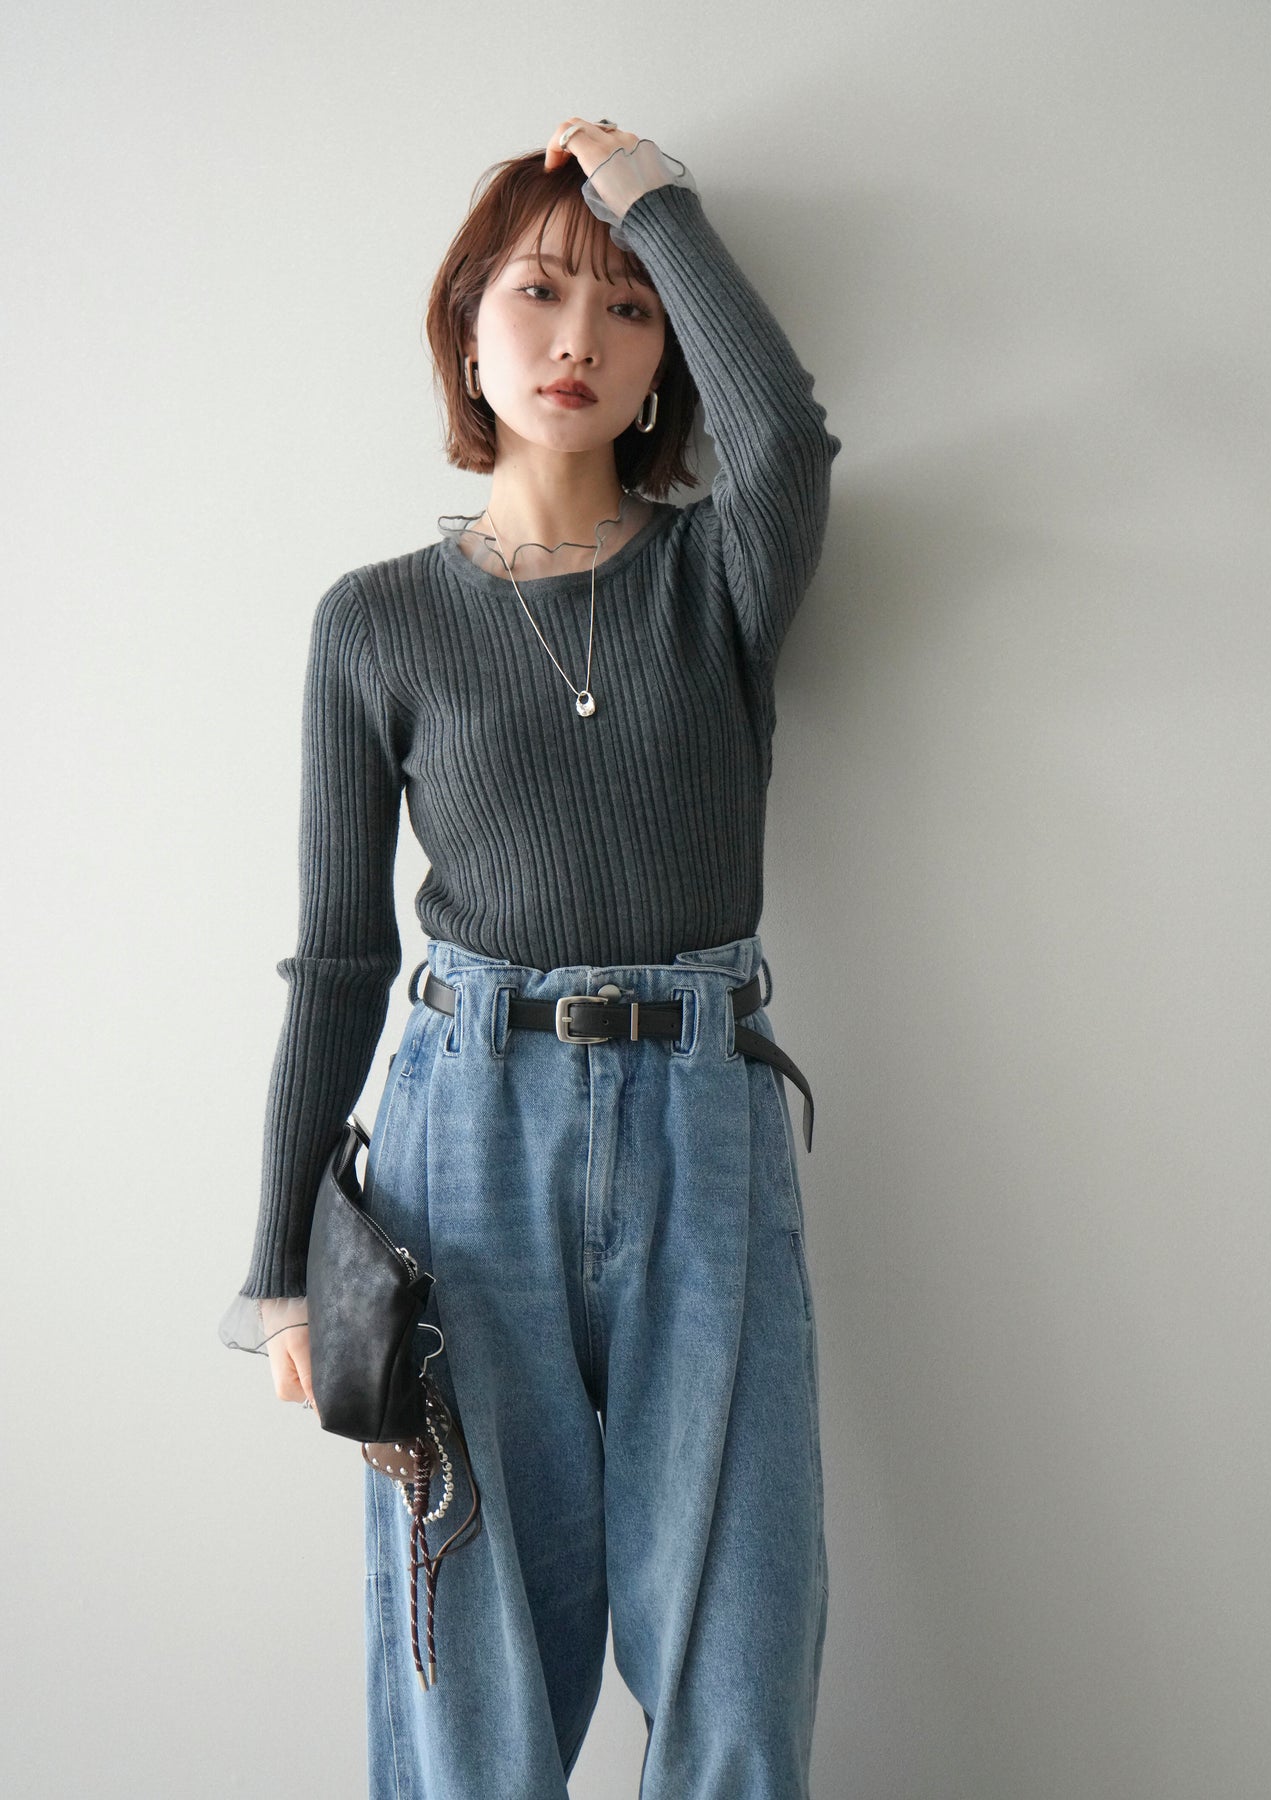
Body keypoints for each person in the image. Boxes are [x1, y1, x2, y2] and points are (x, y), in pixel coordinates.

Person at [219, 114, 841, 1799]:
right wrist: (283, 1264)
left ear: (663, 363)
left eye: (628, 308)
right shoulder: (374, 619)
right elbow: (335, 957)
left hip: (704, 1113)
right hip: (461, 1129)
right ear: (465, 326)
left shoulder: (718, 575)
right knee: (471, 1631)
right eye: (540, 291)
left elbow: (786, 435)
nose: (580, 339)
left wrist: (654, 204)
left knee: (738, 1628)